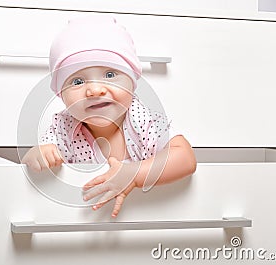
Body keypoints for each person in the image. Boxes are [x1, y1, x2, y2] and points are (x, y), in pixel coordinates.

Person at [22, 15, 196, 217]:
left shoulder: (141, 118)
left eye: (110, 75)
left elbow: (185, 157)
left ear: (132, 82)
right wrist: (38, 155)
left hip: (147, 220)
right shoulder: (63, 126)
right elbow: (39, 160)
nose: (95, 90)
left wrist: (134, 174)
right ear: (61, 94)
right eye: (77, 81)